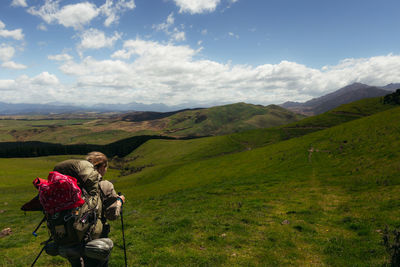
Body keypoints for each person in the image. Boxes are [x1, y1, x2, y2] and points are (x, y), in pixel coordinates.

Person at [53, 151, 125, 267]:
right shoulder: (105, 185)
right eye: (106, 167)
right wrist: (120, 201)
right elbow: (112, 215)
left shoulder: (72, 187)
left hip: (70, 240)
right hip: (94, 242)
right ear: (102, 167)